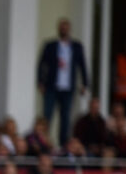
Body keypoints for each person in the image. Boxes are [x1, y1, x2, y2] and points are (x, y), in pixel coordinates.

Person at [36, 18, 90, 150]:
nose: (64, 29)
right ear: (58, 29)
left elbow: (82, 66)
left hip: (68, 88)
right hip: (52, 87)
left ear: (69, 29)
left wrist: (85, 84)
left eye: (66, 27)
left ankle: (63, 145)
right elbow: (41, 64)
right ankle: (45, 142)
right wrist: (40, 82)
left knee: (65, 118)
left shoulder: (76, 47)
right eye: (62, 27)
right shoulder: (50, 45)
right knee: (47, 116)